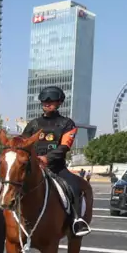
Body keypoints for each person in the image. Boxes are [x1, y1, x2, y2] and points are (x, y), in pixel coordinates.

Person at [21, 86, 90, 235]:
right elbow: (23, 144)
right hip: (34, 168)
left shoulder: (67, 123)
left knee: (74, 187)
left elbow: (65, 146)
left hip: (57, 168)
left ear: (59, 103)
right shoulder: (33, 124)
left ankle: (76, 221)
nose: (47, 103)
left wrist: (47, 158)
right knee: (12, 186)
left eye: (51, 101)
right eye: (44, 101)